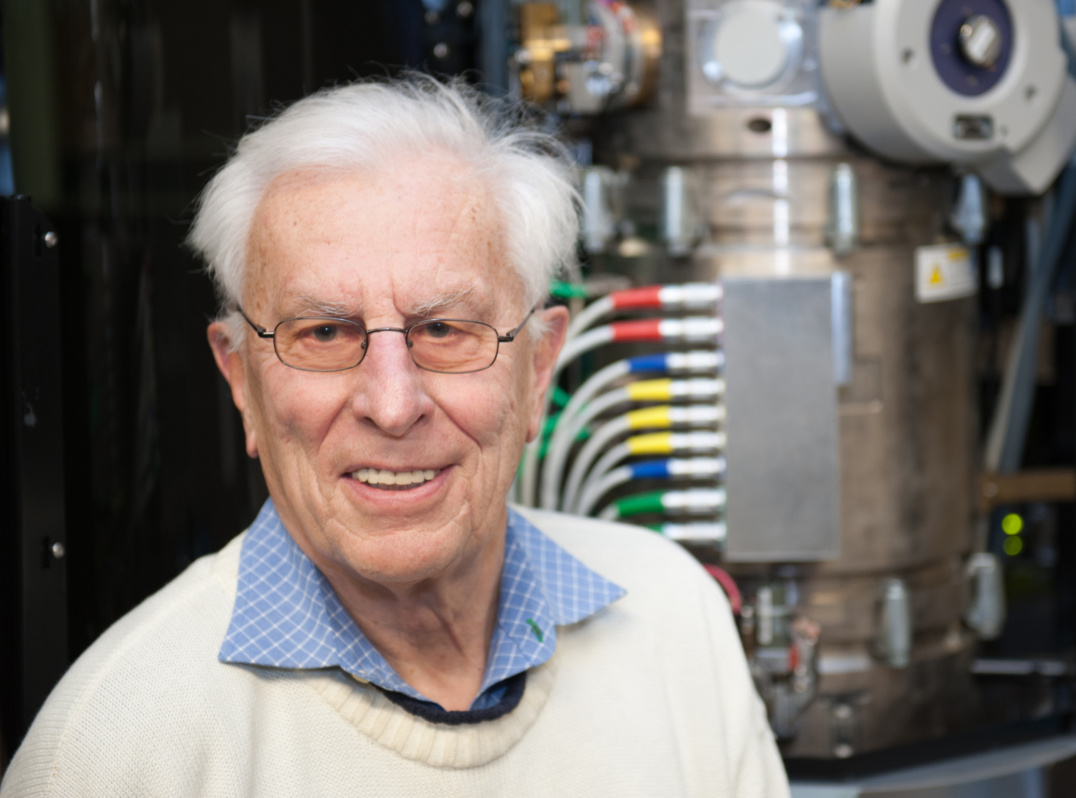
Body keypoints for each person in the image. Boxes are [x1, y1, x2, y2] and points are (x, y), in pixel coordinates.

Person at [0, 77, 787, 797]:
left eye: (444, 329)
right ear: (241, 380)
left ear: (539, 368)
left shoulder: (675, 621)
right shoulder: (114, 749)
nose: (392, 403)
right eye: (323, 333)